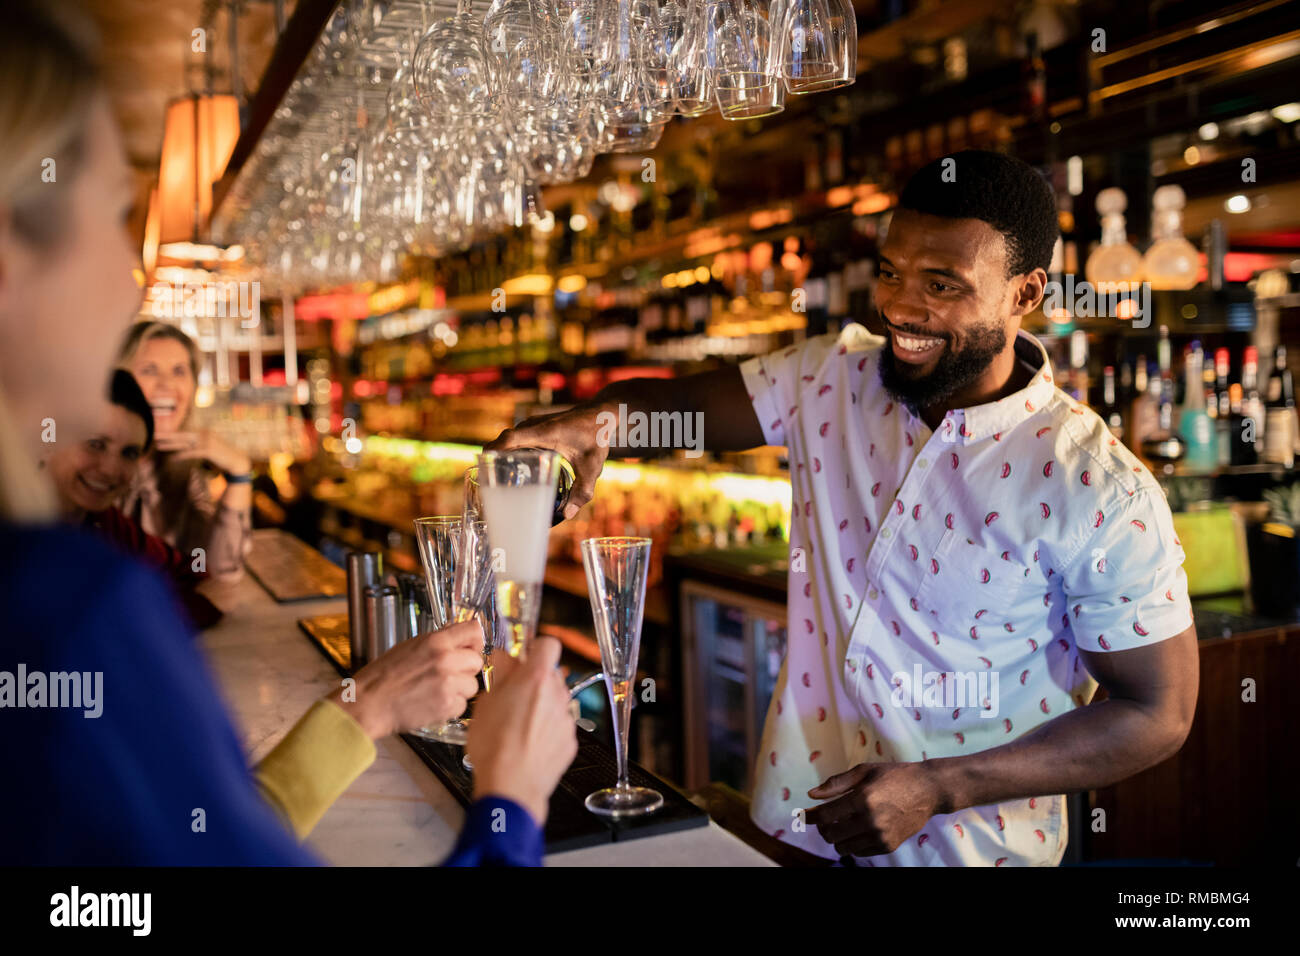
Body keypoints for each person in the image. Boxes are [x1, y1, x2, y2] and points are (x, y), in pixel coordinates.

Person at [489, 150, 1200, 866]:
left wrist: (940, 786)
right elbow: (685, 411)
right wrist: (594, 424)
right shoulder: (830, 377)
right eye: (891, 271)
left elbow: (1157, 714)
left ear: (1025, 293)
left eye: (941, 284)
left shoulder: (1095, 485)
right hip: (795, 836)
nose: (899, 306)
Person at [0, 0, 576, 866]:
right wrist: (512, 799)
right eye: (113, 218)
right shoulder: (68, 609)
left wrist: (363, 707)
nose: (129, 291)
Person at [41, 368, 221, 628]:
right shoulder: (16, 525)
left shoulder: (102, 522)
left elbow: (193, 572)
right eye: (95, 444)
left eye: (129, 453)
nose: (110, 470)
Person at [118, 321, 252, 583]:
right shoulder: (90, 466)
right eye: (149, 370)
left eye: (179, 371)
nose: (166, 384)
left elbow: (223, 570)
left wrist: (240, 471)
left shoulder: (186, 474)